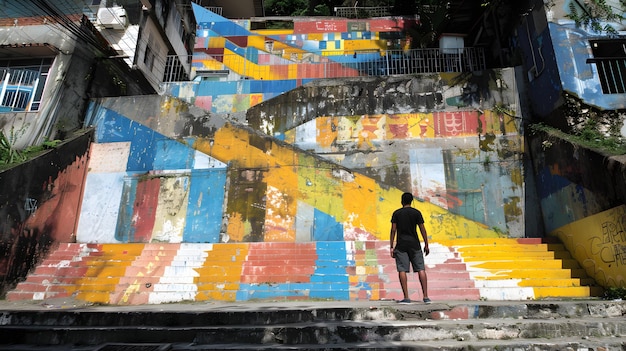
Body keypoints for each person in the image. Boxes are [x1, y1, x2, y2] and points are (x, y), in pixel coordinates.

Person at [389, 192, 430, 304]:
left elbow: (393, 230)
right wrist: (426, 244)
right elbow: (422, 229)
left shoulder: (396, 213)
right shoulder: (416, 213)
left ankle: (406, 297)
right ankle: (426, 297)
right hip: (415, 244)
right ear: (411, 201)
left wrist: (391, 246)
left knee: (402, 269)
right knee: (421, 269)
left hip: (401, 245)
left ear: (402, 201)